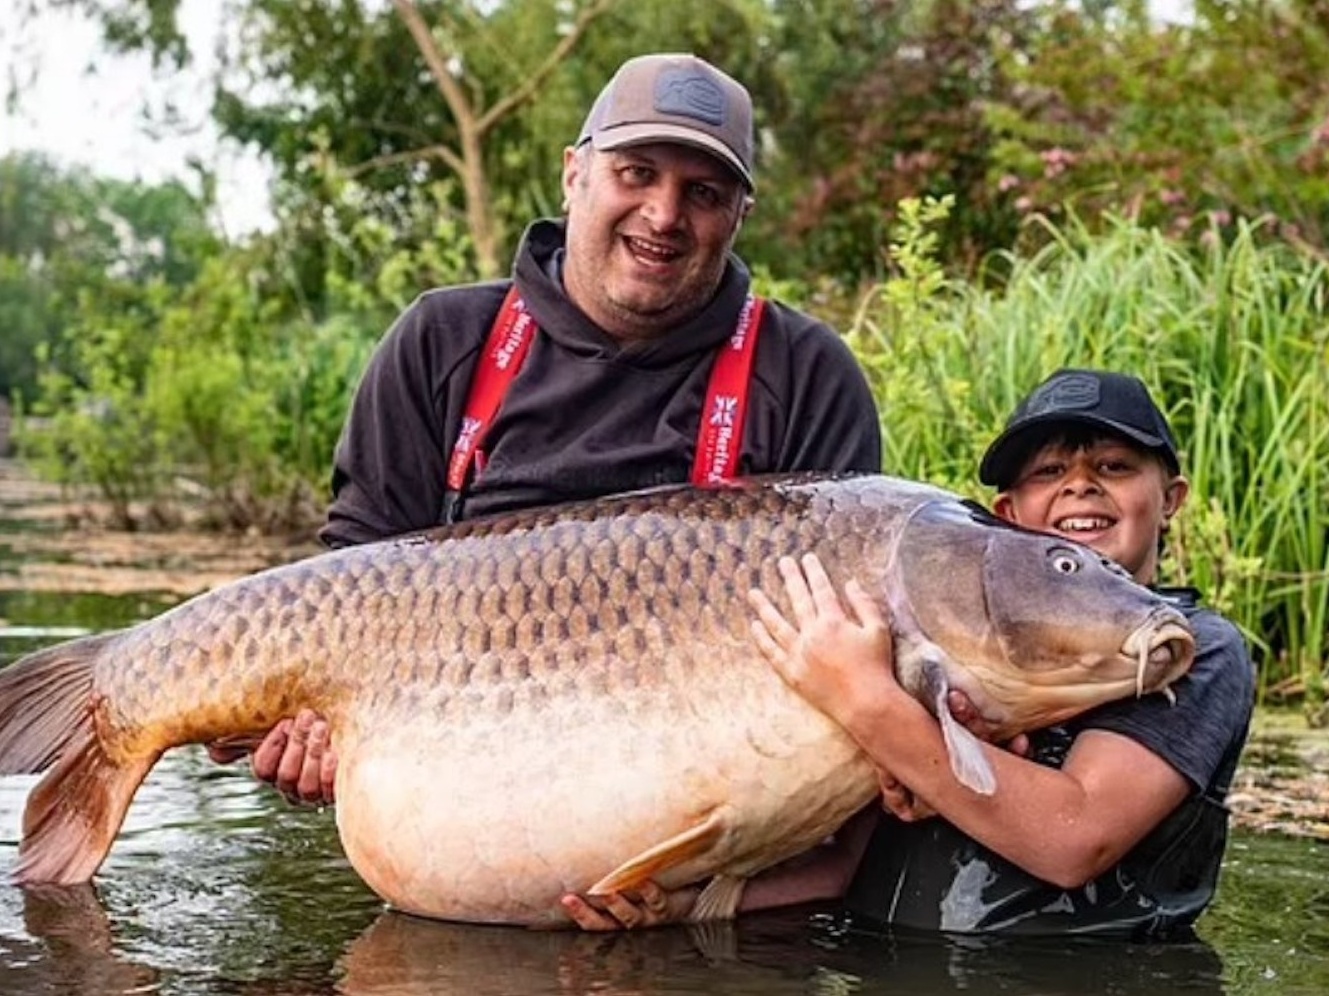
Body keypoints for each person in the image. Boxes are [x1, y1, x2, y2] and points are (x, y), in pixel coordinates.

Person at [207, 52, 882, 802]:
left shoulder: (806, 374)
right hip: (462, 782)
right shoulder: (443, 340)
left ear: (738, 216)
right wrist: (314, 722)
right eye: (636, 173)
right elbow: (353, 577)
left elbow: (847, 647)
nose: (663, 215)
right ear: (574, 174)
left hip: (706, 790)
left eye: (702, 192)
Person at [565, 368, 1255, 939]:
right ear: (1004, 519)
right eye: (1049, 471)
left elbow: (1072, 839)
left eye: (1113, 466)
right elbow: (847, 870)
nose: (1079, 485)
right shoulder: (939, 663)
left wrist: (864, 700)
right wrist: (686, 907)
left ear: (1169, 500)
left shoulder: (1199, 650)